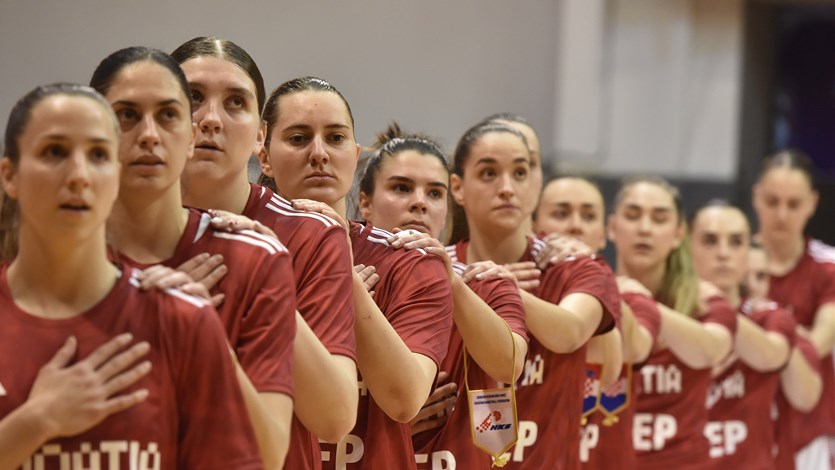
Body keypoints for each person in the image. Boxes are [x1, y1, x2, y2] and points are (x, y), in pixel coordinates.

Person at [0, 83, 262, 468]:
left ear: (117, 175)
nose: (78, 175)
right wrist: (37, 421)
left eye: (99, 155)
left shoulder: (182, 319)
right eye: (54, 152)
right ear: (10, 176)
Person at [90, 46, 296, 469]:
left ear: (188, 134)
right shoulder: (44, 256)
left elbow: (270, 454)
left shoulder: (255, 258)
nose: (149, 134)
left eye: (168, 115)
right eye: (127, 115)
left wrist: (197, 326)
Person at [170, 37, 358, 469]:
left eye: (235, 102)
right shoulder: (111, 228)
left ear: (260, 136)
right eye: (193, 97)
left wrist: (256, 276)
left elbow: (334, 418)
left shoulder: (308, 233)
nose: (211, 119)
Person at [258, 77, 453, 470]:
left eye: (335, 138)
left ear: (355, 152)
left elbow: (404, 399)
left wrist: (340, 275)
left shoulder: (409, 261)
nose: (319, 153)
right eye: (298, 138)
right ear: (263, 155)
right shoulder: (238, 246)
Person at [354, 123, 528, 468]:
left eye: (435, 193)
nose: (419, 203)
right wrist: (387, 424)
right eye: (401, 188)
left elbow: (509, 365)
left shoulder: (485, 281)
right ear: (364, 203)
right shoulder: (345, 276)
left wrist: (448, 279)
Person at [445, 121, 619, 469]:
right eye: (489, 173)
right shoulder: (439, 270)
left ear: (535, 185)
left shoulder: (574, 264)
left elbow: (569, 333)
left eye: (520, 173)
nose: (507, 188)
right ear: (458, 188)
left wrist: (498, 286)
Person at [606, 176, 736, 469]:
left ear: (679, 234)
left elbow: (712, 350)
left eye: (659, 218)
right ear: (612, 228)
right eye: (632, 215)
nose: (644, 228)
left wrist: (641, 302)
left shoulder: (705, 303)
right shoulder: (588, 298)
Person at [533, 175, 660, 469]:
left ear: (604, 235)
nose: (576, 225)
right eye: (561, 214)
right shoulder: (517, 288)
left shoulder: (632, 297)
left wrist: (597, 275)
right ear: (534, 226)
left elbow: (620, 360)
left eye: (588, 216)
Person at [688, 201, 795, 469]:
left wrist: (719, 309)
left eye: (736, 242)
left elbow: (772, 356)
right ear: (685, 246)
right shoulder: (665, 314)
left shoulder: (768, 315)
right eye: (710, 241)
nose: (723, 253)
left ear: (750, 250)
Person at [752, 150, 835, 470]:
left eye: (793, 204)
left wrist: (765, 328)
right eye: (772, 202)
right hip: (741, 428)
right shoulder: (733, 261)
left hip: (807, 432)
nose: (782, 215)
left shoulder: (828, 267)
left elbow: (817, 345)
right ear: (756, 198)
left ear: (812, 203)